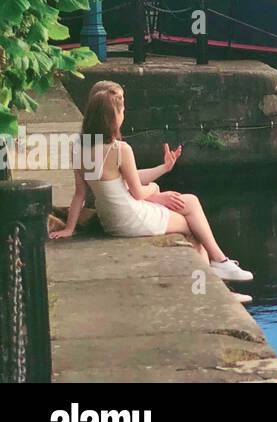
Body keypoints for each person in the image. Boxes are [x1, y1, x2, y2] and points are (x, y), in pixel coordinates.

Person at [50, 81, 252, 285]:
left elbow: (80, 193)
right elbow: (138, 192)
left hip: (112, 220)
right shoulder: (120, 149)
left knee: (190, 201)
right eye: (122, 110)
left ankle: (220, 263)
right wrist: (155, 190)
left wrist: (69, 228)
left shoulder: (79, 147)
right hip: (131, 218)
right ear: (112, 117)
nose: (124, 114)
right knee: (192, 227)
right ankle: (213, 281)